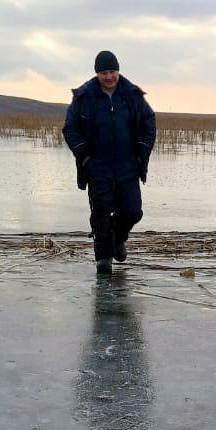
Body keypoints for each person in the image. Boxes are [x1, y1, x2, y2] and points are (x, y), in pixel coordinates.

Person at [62, 51, 156, 274]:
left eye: (112, 71)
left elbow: (149, 122)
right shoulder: (84, 96)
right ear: (97, 74)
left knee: (133, 211)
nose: (109, 77)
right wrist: (84, 155)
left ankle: (118, 240)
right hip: (98, 165)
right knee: (101, 213)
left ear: (118, 71)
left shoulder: (132, 95)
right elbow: (70, 128)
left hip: (128, 164)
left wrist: (140, 154)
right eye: (104, 72)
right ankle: (103, 262)